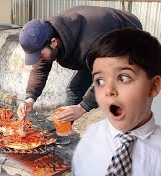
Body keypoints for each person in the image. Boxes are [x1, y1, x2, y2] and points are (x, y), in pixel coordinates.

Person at [17, 6, 142, 144]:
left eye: (39, 54)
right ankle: (63, 132)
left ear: (53, 43)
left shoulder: (91, 42)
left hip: (128, 39)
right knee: (74, 89)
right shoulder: (47, 33)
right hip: (95, 49)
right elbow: (40, 68)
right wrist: (30, 98)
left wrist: (83, 107)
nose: (38, 59)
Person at [72, 28, 161, 176]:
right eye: (99, 81)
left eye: (124, 78)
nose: (108, 91)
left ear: (153, 86)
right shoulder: (90, 139)